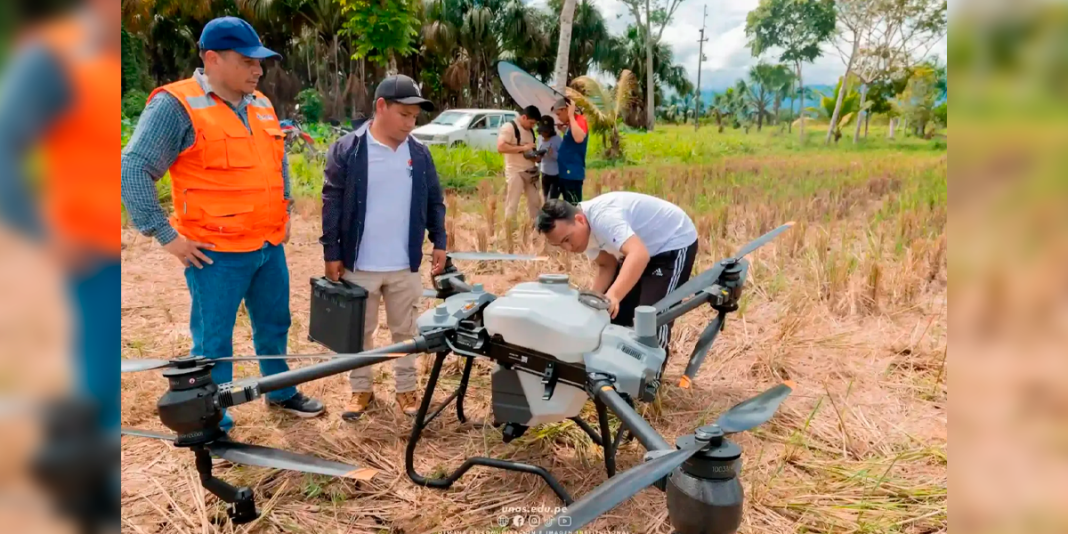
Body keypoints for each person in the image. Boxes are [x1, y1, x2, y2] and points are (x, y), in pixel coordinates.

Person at [120, 16, 324, 431]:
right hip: (215, 254)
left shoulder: (261, 103)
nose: (259, 70)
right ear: (212, 59)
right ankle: (211, 415)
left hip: (268, 247)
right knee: (214, 340)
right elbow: (133, 168)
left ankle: (280, 391)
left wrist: (284, 209)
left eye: (260, 62)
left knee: (274, 323)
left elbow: (278, 159)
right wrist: (165, 235)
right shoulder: (177, 105)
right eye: (248, 61)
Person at [320, 74, 447, 421]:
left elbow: (435, 200)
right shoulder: (349, 149)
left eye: (414, 117)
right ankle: (360, 389)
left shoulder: (419, 154)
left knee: (405, 331)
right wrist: (332, 252)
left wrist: (440, 240)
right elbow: (330, 201)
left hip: (404, 263)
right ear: (381, 107)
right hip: (359, 264)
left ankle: (407, 389)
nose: (410, 122)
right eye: (404, 114)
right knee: (359, 332)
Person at [536, 193, 698, 353]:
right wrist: (593, 298)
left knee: (650, 320)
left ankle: (651, 376)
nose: (568, 249)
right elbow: (607, 264)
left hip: (671, 243)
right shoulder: (582, 234)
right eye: (560, 245)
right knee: (613, 314)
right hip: (636, 250)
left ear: (580, 219)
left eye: (567, 240)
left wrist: (614, 294)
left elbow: (639, 255)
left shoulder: (604, 218)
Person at [497, 105, 543, 225]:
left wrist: (536, 156)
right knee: (512, 203)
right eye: (531, 123)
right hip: (515, 171)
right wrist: (523, 148)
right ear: (524, 117)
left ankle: (536, 228)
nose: (532, 126)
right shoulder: (509, 127)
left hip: (531, 170)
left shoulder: (531, 131)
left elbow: (530, 150)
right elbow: (501, 147)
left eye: (534, 124)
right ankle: (510, 230)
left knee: (535, 202)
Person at [551, 97, 589, 203]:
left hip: (572, 173)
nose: (558, 118)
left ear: (566, 109)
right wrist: (563, 129)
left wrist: (571, 116)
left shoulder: (579, 120)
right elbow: (571, 138)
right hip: (565, 173)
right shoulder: (571, 124)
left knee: (573, 207)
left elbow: (579, 138)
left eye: (559, 114)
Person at [536, 117, 563, 201]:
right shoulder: (539, 138)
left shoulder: (557, 140)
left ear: (551, 130)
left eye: (546, 131)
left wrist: (553, 153)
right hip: (544, 173)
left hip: (556, 175)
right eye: (542, 131)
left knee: (551, 200)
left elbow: (562, 158)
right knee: (545, 199)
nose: (544, 134)